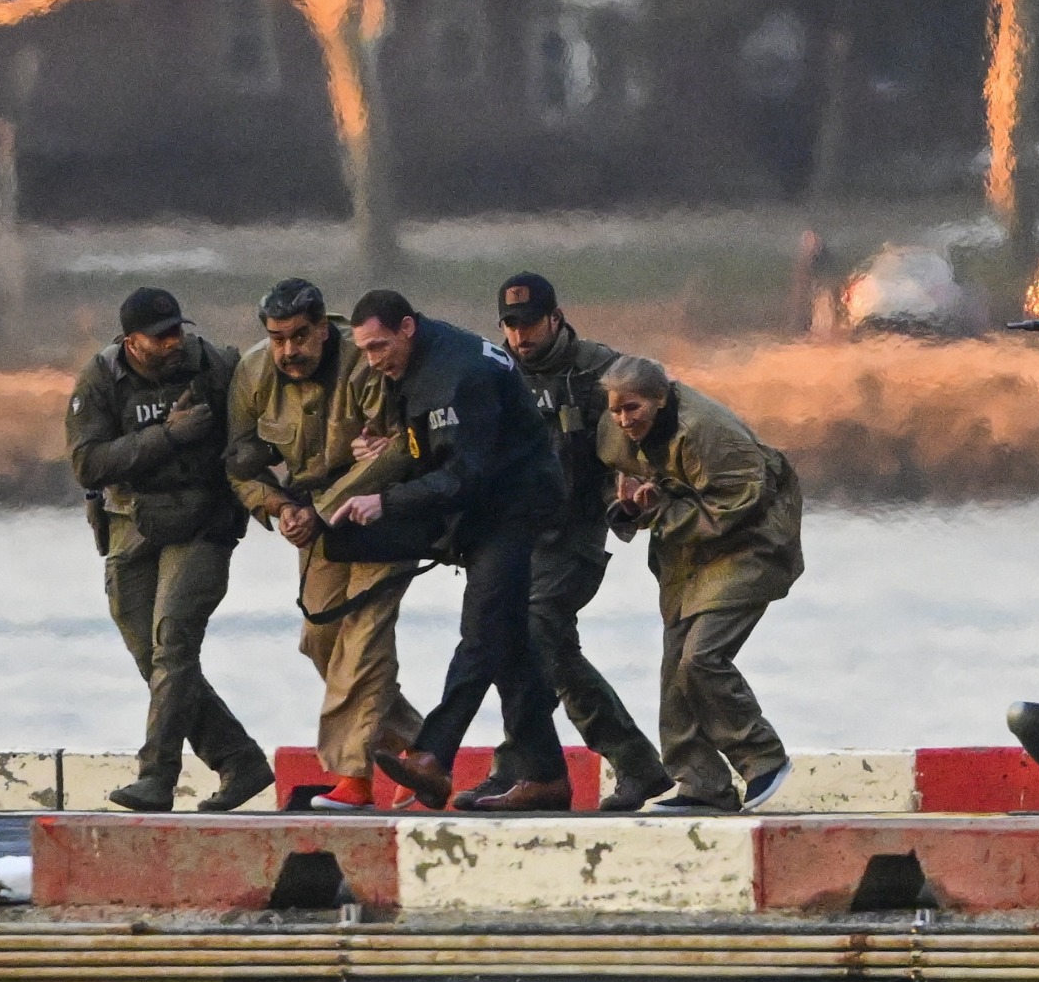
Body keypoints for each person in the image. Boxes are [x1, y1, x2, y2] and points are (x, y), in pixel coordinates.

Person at [328, 290, 572, 812]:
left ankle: (432, 756)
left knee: (481, 629)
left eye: (378, 346)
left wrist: (386, 501)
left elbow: (466, 474)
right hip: (480, 511)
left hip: (515, 505)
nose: (372, 360)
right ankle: (546, 775)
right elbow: (428, 449)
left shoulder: (461, 373)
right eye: (364, 350)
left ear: (407, 327)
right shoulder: (411, 366)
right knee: (507, 643)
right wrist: (383, 452)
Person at [446, 273, 671, 813]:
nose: (519, 336)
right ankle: (616, 765)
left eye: (529, 323)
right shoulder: (490, 372)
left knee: (532, 633)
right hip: (513, 536)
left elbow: (640, 439)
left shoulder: (598, 372)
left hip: (574, 533)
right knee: (535, 649)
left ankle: (536, 766)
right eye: (510, 325)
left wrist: (633, 490)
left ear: (555, 318)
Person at [66, 287, 275, 813]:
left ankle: (157, 777)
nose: (173, 342)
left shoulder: (217, 366)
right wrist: (167, 435)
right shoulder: (100, 379)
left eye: (177, 330)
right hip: (130, 523)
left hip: (202, 522)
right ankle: (239, 760)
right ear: (130, 341)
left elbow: (255, 434)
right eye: (159, 336)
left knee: (174, 646)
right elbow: (88, 464)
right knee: (151, 657)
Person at [224, 278, 425, 811]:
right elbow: (239, 463)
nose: (289, 350)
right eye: (277, 339)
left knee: (365, 640)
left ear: (323, 328)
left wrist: (324, 507)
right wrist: (279, 507)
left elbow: (399, 450)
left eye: (299, 336)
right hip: (313, 523)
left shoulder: (364, 363)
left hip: (382, 514)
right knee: (322, 641)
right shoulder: (253, 373)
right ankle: (422, 747)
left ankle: (353, 780)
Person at [597, 355, 799, 813]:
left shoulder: (709, 431)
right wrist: (627, 506)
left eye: (633, 408)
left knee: (702, 656)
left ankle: (763, 757)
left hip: (751, 543)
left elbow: (740, 504)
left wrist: (661, 508)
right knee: (675, 667)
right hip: (686, 553)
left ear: (660, 398)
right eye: (616, 410)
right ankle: (701, 783)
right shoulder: (614, 432)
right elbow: (613, 479)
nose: (624, 420)